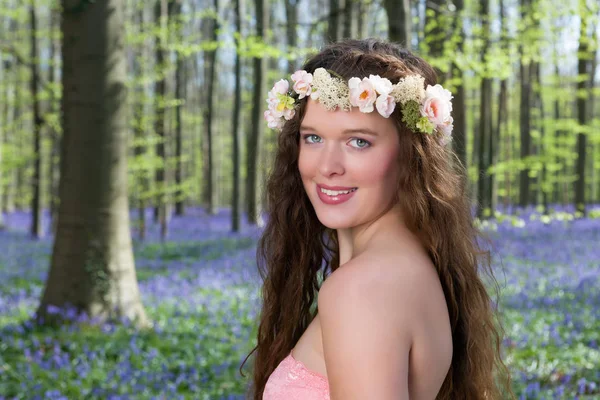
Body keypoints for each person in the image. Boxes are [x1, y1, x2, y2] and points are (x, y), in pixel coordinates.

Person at [240, 38, 513, 400]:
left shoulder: (362, 288)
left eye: (359, 142)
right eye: (314, 137)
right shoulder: (409, 267)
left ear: (410, 156)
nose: (327, 167)